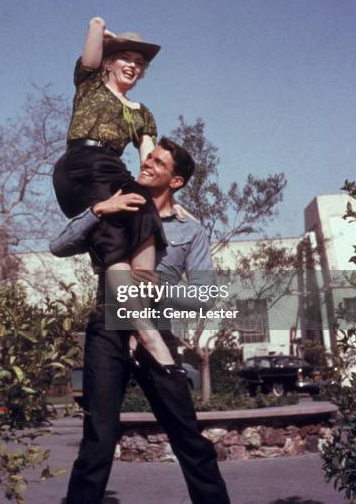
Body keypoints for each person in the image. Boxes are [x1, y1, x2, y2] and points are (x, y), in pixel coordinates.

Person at [50, 138, 231, 504]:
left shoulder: (190, 230)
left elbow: (205, 296)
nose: (146, 163)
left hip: (157, 334)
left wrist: (160, 287)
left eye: (158, 163)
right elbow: (58, 245)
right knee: (98, 439)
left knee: (187, 436)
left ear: (175, 181)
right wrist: (99, 209)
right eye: (148, 157)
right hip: (108, 329)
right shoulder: (118, 206)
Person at [53, 16, 174, 365]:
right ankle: (148, 336)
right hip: (80, 165)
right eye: (127, 59)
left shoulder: (143, 114)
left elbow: (150, 162)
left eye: (140, 64)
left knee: (146, 210)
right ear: (109, 62)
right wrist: (102, 31)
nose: (134, 67)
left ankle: (139, 315)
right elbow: (90, 48)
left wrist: (169, 200)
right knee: (112, 232)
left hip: (112, 169)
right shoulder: (90, 83)